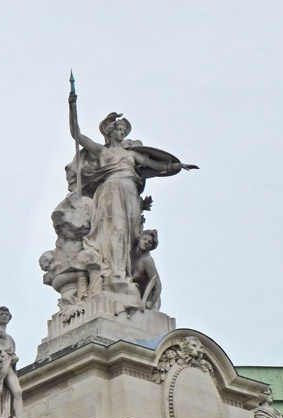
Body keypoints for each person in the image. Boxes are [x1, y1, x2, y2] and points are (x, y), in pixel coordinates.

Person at [67, 94, 196, 288]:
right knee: (114, 229)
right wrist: (72, 106)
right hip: (110, 190)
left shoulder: (132, 154)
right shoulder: (103, 152)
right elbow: (76, 135)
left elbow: (153, 164)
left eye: (124, 130)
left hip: (130, 193)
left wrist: (176, 166)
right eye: (118, 129)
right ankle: (112, 273)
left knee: (129, 233)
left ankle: (124, 273)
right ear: (110, 132)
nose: (121, 132)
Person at [131, 229, 162, 311]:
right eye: (144, 239)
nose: (146, 242)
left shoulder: (147, 260)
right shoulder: (131, 256)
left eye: (149, 242)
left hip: (149, 301)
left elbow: (157, 284)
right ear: (139, 238)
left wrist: (150, 303)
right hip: (135, 296)